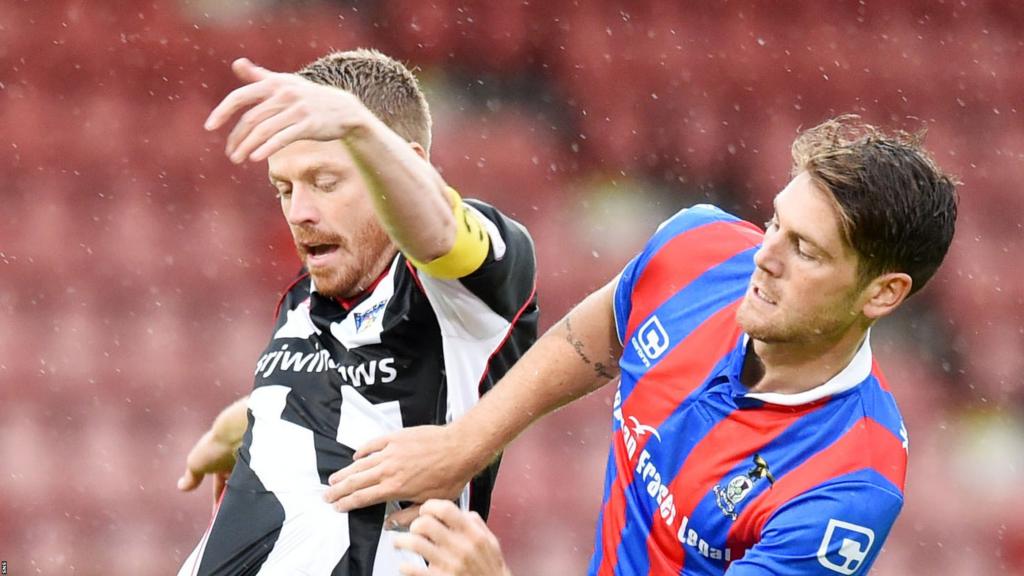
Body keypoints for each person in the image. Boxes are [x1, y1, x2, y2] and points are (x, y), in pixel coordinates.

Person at [325, 116, 958, 575]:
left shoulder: (847, 488)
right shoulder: (700, 252)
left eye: (805, 250)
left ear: (883, 293)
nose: (763, 257)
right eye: (774, 223)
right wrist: (468, 441)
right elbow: (600, 331)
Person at [175, 49, 539, 575]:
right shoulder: (305, 301)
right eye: (284, 188)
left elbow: (439, 229)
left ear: (407, 164)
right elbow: (334, 389)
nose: (299, 212)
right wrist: (246, 421)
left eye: (325, 182)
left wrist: (357, 126)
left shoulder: (460, 289)